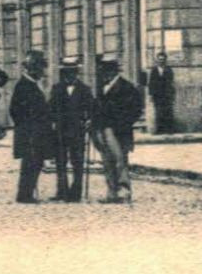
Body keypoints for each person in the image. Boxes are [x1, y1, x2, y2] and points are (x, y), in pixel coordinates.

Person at [91, 56, 144, 203]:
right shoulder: (102, 88)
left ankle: (124, 191)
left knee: (120, 160)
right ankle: (112, 192)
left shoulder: (127, 87)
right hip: (102, 130)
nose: (104, 73)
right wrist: (94, 127)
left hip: (119, 131)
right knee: (107, 161)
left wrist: (123, 123)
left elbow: (136, 109)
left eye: (107, 70)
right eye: (103, 70)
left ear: (114, 70)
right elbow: (96, 109)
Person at [9, 50, 54, 203]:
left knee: (35, 162)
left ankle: (26, 193)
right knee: (30, 162)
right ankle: (25, 195)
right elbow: (15, 110)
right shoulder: (23, 86)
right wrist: (28, 126)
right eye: (40, 68)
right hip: (30, 133)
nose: (42, 72)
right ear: (31, 69)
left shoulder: (32, 85)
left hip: (36, 132)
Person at [47, 56, 93, 202]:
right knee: (60, 161)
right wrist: (52, 121)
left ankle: (76, 193)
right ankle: (62, 191)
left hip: (77, 131)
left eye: (72, 72)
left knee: (77, 161)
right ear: (63, 73)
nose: (70, 75)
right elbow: (50, 108)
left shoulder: (85, 89)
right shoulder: (57, 88)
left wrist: (89, 120)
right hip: (60, 130)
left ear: (77, 72)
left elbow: (92, 108)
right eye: (67, 72)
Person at [147, 53, 177, 135]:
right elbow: (151, 83)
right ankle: (159, 130)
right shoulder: (154, 70)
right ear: (157, 60)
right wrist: (150, 95)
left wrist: (172, 94)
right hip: (157, 95)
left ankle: (169, 130)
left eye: (163, 59)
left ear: (165, 60)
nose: (161, 61)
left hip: (167, 95)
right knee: (158, 112)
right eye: (159, 59)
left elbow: (171, 82)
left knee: (168, 112)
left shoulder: (169, 70)